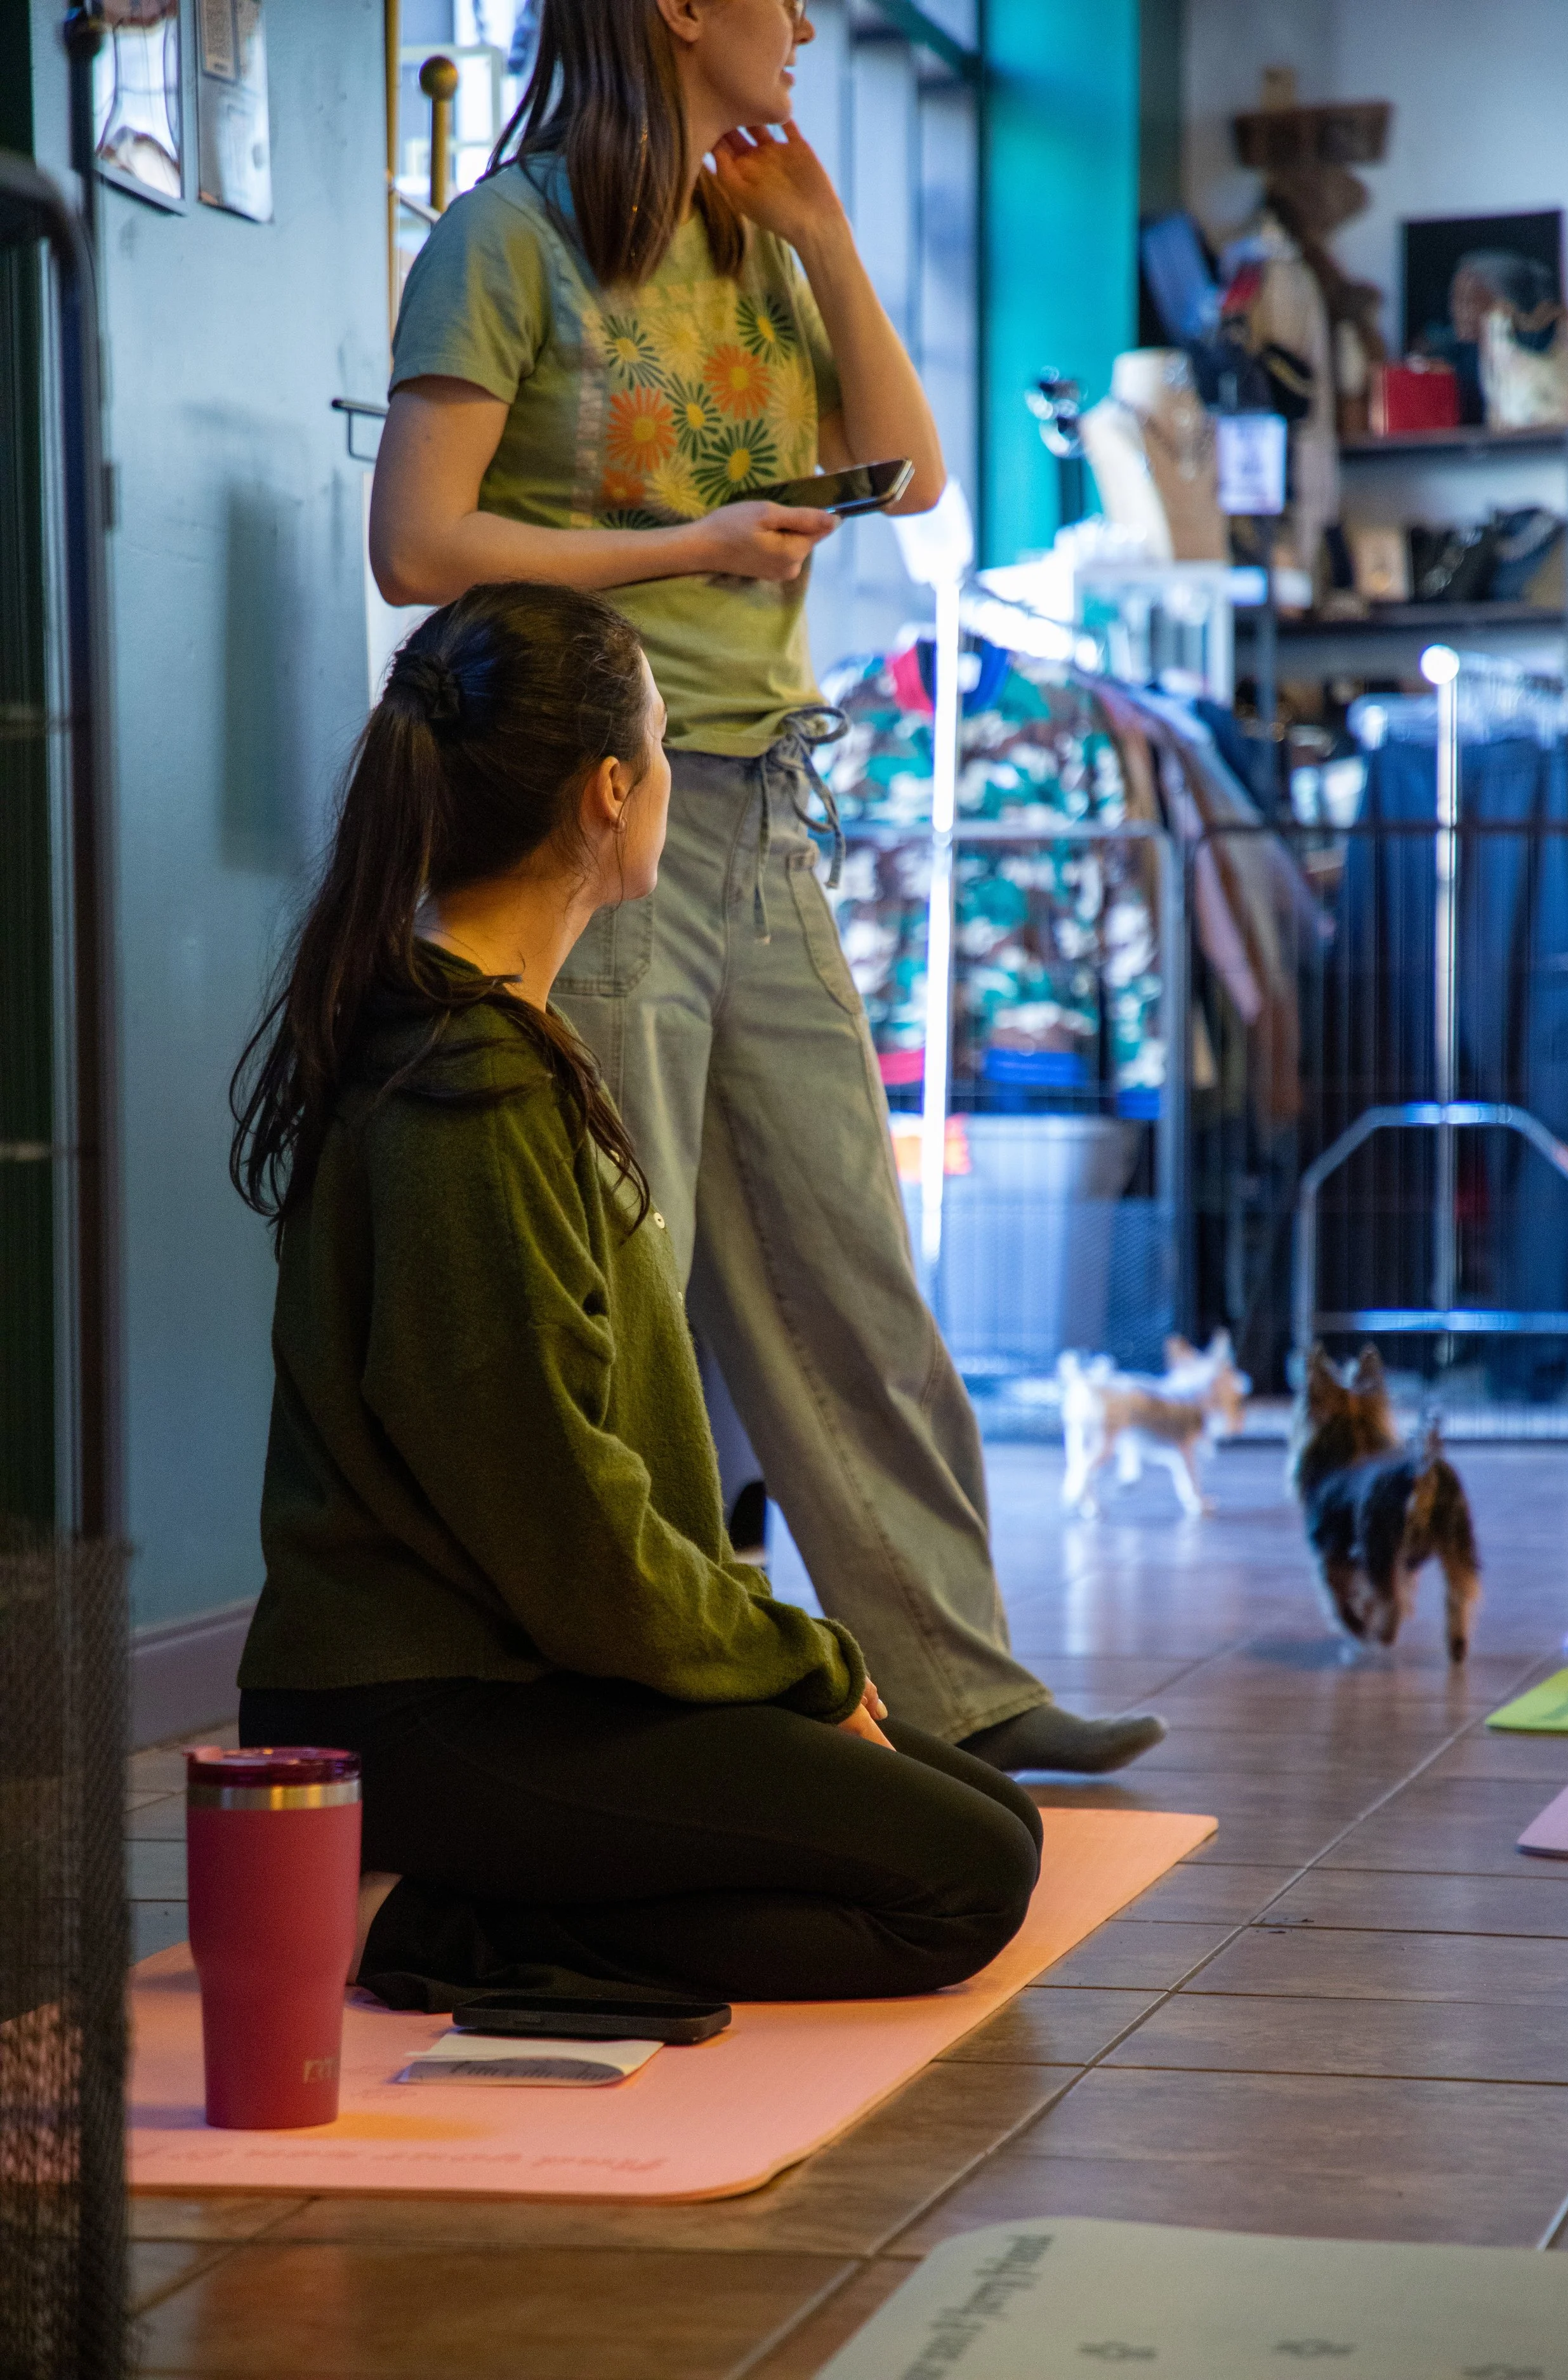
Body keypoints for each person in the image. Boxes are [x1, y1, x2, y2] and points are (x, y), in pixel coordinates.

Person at [368, 0, 1164, 1777]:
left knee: (842, 1254)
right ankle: (639, 1696)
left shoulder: (764, 241)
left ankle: (954, 1678)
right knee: (620, 1280)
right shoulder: (507, 239)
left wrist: (826, 240)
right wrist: (693, 545)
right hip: (585, 818)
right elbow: (415, 542)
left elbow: (906, 473)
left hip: (756, 798)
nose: (805, 19)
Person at [229, 583, 1041, 2004]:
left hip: (527, 1663)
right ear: (611, 793)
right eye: (668, 747)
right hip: (424, 1710)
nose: (673, 778)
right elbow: (572, 1533)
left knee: (996, 1826)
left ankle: (517, 1893)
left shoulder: (490, 1042)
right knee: (956, 1885)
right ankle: (460, 1929)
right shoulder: (465, 1094)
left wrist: (782, 1669)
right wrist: (798, 1661)